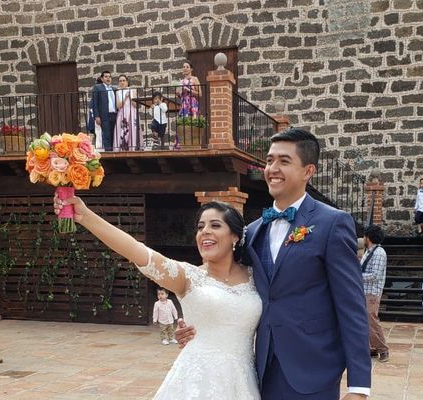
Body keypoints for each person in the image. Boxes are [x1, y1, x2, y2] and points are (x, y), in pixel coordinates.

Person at [178, 128, 371, 400]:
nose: (272, 168)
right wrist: (197, 323)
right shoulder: (253, 231)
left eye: (284, 161)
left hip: (314, 369)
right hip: (261, 371)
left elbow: (352, 306)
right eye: (269, 160)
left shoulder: (332, 223)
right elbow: (225, 280)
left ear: (308, 171)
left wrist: (359, 387)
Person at [53, 195, 262, 399]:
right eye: (200, 227)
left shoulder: (257, 276)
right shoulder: (186, 276)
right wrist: (85, 216)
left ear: (235, 235)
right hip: (197, 380)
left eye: (215, 225)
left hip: (244, 380)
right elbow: (136, 251)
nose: (205, 231)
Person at [360, 224, 389, 362]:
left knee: (371, 321)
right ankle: (372, 348)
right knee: (366, 321)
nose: (363, 238)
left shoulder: (379, 253)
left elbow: (375, 275)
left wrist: (356, 275)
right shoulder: (369, 251)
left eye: (364, 236)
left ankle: (383, 349)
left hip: (372, 292)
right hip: (365, 291)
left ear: (369, 237)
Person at [91, 70, 117, 151]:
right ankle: (109, 153)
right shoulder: (98, 88)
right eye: (106, 77)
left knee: (114, 135)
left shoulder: (114, 89)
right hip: (104, 115)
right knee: (106, 135)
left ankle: (115, 152)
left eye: (109, 77)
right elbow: (95, 103)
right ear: (102, 79)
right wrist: (97, 116)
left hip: (114, 115)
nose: (108, 78)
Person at [113, 74, 139, 151]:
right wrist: (125, 98)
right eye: (120, 81)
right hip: (122, 114)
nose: (122, 82)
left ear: (127, 82)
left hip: (131, 113)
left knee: (132, 130)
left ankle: (132, 148)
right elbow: (118, 106)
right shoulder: (118, 92)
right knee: (121, 131)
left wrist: (131, 97)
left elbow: (136, 105)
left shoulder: (133, 90)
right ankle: (121, 148)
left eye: (124, 80)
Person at [87, 76, 104, 151]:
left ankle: (91, 148)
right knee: (98, 133)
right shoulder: (99, 91)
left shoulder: (96, 93)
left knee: (94, 134)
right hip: (96, 117)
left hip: (93, 116)